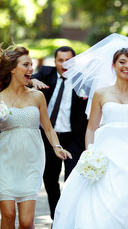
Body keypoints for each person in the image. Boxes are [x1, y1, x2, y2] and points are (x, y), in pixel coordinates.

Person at [52, 33, 128, 228]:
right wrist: (90, 153)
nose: (127, 67)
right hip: (108, 153)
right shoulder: (101, 93)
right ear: (113, 65)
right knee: (107, 200)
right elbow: (92, 127)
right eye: (122, 62)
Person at [0, 46, 72, 228]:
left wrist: (57, 147)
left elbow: (48, 128)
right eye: (26, 65)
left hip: (31, 162)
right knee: (8, 216)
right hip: (4, 161)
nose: (31, 69)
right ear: (13, 69)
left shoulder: (37, 96)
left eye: (31, 65)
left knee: (26, 222)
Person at [29, 46, 88, 220]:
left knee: (72, 180)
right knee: (50, 180)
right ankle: (57, 217)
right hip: (49, 137)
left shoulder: (83, 81)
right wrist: (32, 81)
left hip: (73, 138)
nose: (64, 64)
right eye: (60, 60)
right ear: (55, 62)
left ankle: (70, 217)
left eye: (68, 60)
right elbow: (26, 78)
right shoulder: (46, 73)